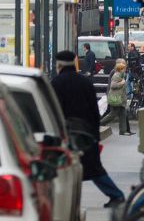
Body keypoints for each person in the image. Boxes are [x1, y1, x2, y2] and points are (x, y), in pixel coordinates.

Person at [52, 49, 124, 207]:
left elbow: (54, 110)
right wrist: (95, 133)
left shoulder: (56, 83)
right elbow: (94, 109)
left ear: (59, 65)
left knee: (68, 168)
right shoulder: (85, 82)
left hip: (68, 132)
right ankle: (115, 195)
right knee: (93, 167)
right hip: (87, 132)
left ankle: (116, 195)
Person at [109, 58, 134, 136]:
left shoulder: (121, 73)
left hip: (121, 97)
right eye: (123, 64)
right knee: (113, 114)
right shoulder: (115, 73)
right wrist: (122, 83)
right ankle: (99, 123)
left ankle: (124, 131)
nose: (125, 66)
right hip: (116, 97)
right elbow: (112, 85)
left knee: (123, 113)